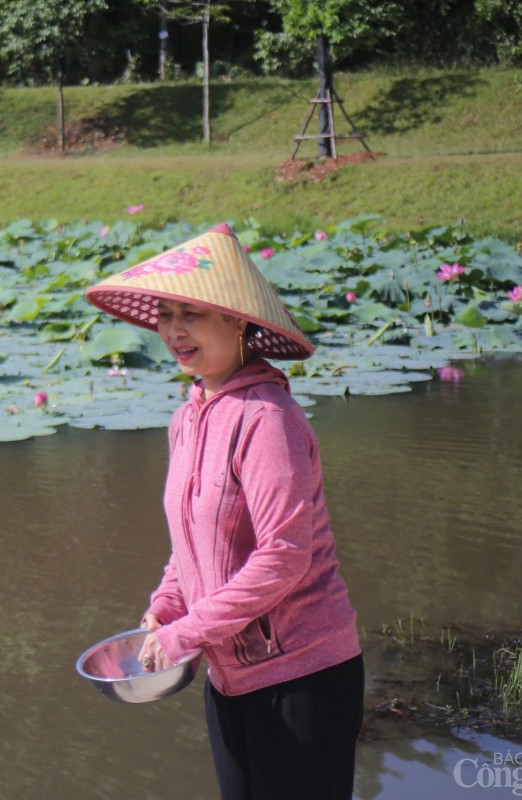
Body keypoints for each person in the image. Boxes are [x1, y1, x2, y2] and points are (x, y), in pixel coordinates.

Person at [84, 223, 364, 800]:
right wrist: (168, 605)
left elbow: (285, 557)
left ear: (238, 320)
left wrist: (191, 631)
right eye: (164, 314)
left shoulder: (267, 418)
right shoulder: (187, 419)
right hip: (229, 675)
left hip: (303, 674)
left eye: (192, 313)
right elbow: (192, 538)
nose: (174, 330)